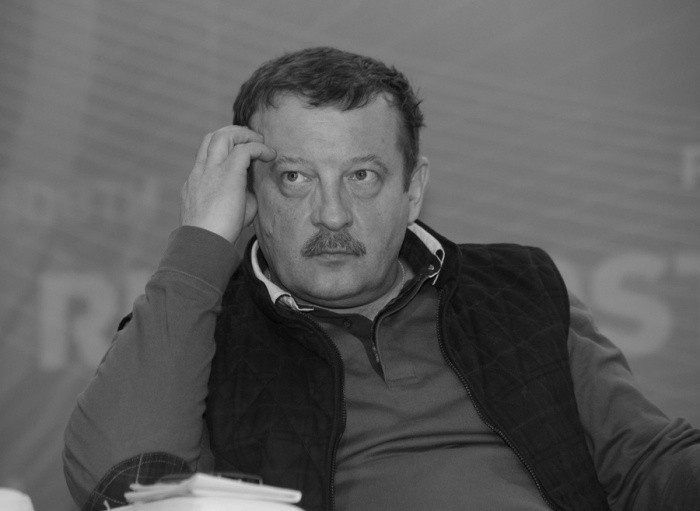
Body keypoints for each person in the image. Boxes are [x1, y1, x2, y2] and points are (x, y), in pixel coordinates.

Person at [63, 47, 700, 511]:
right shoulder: (207, 328)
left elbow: (646, 462)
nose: (332, 214)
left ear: (413, 190)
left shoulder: (517, 286)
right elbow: (123, 483)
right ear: (251, 194)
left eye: (362, 176)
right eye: (295, 177)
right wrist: (201, 243)